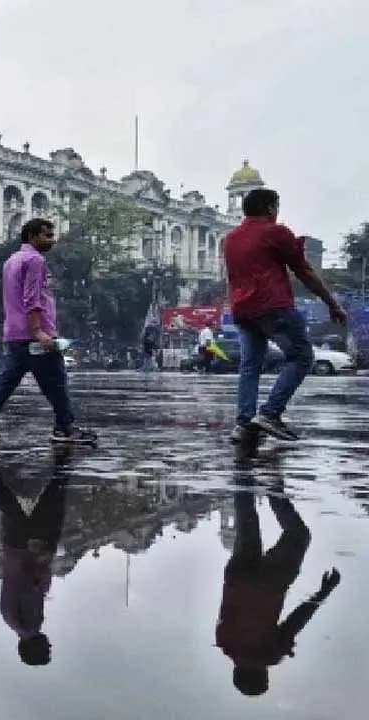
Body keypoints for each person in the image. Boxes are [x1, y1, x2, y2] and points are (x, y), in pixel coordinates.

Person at [224, 188, 347, 443]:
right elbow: (304, 271)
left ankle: (245, 424)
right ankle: (270, 412)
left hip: (242, 310)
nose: (278, 211)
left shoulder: (231, 238)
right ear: (270, 208)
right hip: (272, 306)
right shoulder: (276, 232)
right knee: (302, 357)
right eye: (276, 206)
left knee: (250, 367)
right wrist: (332, 303)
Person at [0, 219, 96, 444]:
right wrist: (38, 331)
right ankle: (64, 428)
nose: (52, 240)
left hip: (16, 333)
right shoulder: (34, 260)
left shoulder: (11, 260)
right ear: (32, 236)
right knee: (56, 381)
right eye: (47, 235)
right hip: (35, 335)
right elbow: (32, 299)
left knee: (8, 380)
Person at [216, 479, 339, 696]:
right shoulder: (223, 642)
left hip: (270, 584)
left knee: (299, 535)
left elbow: (296, 621)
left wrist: (323, 592)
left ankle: (273, 485)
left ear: (262, 675)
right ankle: (243, 467)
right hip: (237, 577)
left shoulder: (269, 655)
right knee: (247, 523)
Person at [0, 446, 68, 666]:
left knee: (52, 500)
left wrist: (42, 570)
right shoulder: (12, 621)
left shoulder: (29, 625)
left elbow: (30, 587)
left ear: (35, 648)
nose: (50, 645)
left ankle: (63, 462)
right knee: (11, 505)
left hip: (30, 551)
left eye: (46, 650)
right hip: (15, 549)